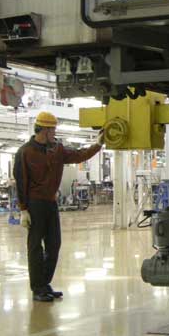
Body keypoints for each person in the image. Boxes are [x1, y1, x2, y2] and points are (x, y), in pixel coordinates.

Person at [13, 112, 104, 302]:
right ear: (44, 130)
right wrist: (23, 210)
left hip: (51, 203)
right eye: (52, 129)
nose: (54, 133)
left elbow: (78, 156)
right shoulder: (25, 152)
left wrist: (98, 144)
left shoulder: (57, 150)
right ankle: (37, 288)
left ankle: (44, 283)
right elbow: (21, 182)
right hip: (35, 204)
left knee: (54, 245)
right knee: (35, 247)